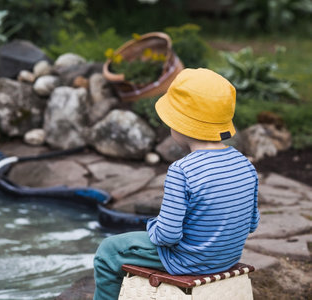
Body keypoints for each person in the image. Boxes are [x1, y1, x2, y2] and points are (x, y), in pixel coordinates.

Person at [93, 68, 260, 300]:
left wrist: (153, 226)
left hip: (186, 261)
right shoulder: (245, 165)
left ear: (180, 125)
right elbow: (251, 224)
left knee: (109, 251)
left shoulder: (182, 170)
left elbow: (167, 236)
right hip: (226, 258)